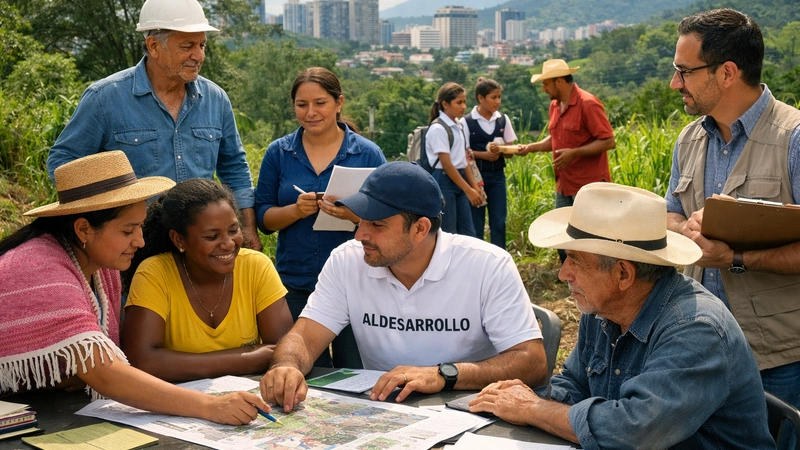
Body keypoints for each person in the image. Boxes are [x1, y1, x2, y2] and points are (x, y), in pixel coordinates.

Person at [469, 183, 774, 450]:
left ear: (623, 274)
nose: (563, 274)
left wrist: (535, 409)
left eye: (574, 260)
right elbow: (576, 383)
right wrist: (520, 398)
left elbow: (634, 432)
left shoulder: (695, 329)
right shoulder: (602, 306)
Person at [0, 151, 270, 425]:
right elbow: (106, 374)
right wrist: (212, 406)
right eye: (128, 231)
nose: (140, 241)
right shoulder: (41, 267)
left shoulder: (101, 266)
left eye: (140, 227)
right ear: (83, 230)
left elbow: (94, 364)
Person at [260, 162, 547, 412]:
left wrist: (443, 375)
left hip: (468, 409)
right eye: (360, 220)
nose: (360, 234)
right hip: (382, 409)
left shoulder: (487, 265)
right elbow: (306, 337)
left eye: (377, 225)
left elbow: (531, 362)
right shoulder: (348, 261)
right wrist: (286, 365)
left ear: (420, 228)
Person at [664, 8, 800, 447]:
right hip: (700, 347)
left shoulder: (793, 138)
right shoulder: (688, 139)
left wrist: (735, 258)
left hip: (779, 357)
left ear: (726, 72)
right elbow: (671, 212)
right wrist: (688, 232)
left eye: (684, 71)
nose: (674, 83)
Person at [46, 0, 262, 251]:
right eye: (188, 46)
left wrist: (247, 228)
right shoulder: (105, 98)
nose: (199, 55)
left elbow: (234, 167)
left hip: (201, 247)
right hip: (134, 248)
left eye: (202, 45)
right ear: (154, 46)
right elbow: (64, 161)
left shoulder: (215, 99)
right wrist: (105, 218)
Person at [254, 67, 385, 369]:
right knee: (299, 370)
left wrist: (352, 215)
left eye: (320, 103)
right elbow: (263, 217)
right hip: (294, 282)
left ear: (339, 103)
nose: (310, 112)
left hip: (356, 283)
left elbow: (387, 217)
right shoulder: (279, 153)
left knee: (354, 373)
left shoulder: (367, 154)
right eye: (302, 105)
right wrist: (295, 211)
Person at [121, 178, 294, 382]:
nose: (228, 244)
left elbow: (284, 352)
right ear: (179, 239)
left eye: (233, 230)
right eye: (212, 237)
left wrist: (180, 363)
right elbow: (142, 361)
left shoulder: (256, 266)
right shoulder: (155, 273)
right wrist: (249, 357)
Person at [521, 59, 616, 261]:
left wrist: (574, 153)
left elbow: (608, 141)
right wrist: (530, 148)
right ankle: (573, 279)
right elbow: (554, 139)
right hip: (564, 184)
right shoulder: (555, 106)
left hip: (588, 185)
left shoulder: (587, 103)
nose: (544, 89)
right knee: (562, 235)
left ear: (560, 82)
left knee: (589, 238)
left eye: (546, 83)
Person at [461, 78, 518, 249]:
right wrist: (484, 155)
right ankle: (477, 261)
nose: (498, 102)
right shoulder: (467, 122)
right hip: (476, 178)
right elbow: (463, 152)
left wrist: (500, 150)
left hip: (497, 177)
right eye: (493, 97)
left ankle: (499, 260)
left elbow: (510, 150)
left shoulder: (502, 120)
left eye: (499, 97)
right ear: (481, 98)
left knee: (499, 222)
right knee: (476, 224)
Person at [426, 82, 482, 236]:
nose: (463, 106)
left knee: (468, 233)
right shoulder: (438, 128)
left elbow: (463, 161)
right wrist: (468, 190)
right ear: (445, 104)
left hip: (459, 180)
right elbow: (447, 164)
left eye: (464, 102)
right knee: (448, 233)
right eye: (459, 102)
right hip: (444, 180)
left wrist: (474, 186)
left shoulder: (458, 126)